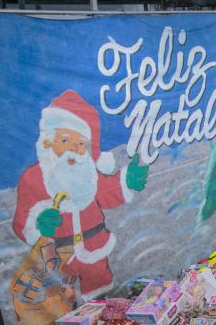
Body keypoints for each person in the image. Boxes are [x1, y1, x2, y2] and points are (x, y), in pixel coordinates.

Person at [12, 90, 150, 298]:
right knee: (60, 300)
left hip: (95, 248)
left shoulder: (87, 172)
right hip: (57, 256)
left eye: (80, 144)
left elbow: (106, 192)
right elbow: (23, 221)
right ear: (49, 141)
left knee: (100, 292)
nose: (73, 149)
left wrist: (125, 181)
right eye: (65, 140)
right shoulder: (33, 178)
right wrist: (38, 225)